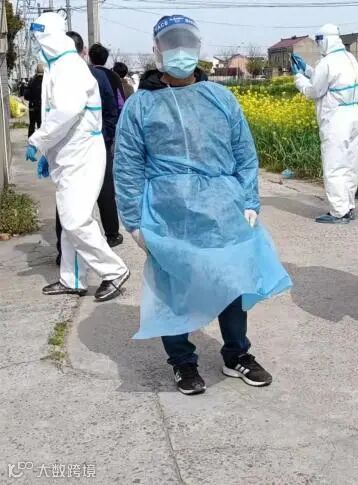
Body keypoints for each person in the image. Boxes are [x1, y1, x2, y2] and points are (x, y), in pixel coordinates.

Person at [114, 15, 292, 395]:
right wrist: (133, 220)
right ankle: (182, 361)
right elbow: (127, 165)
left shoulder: (220, 98)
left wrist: (250, 199)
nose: (179, 52)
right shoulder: (140, 106)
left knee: (231, 279)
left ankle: (237, 354)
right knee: (174, 284)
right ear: (157, 51)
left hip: (222, 207)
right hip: (168, 212)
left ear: (197, 48)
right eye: (170, 44)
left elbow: (244, 153)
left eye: (186, 43)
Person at [26, 12, 129, 301]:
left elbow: (66, 111)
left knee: (75, 220)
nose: (37, 44)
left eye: (39, 38)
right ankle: (72, 278)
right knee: (70, 219)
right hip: (70, 153)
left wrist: (38, 140)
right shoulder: (59, 65)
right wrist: (50, 151)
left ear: (49, 36)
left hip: (82, 154)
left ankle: (114, 271)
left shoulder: (69, 67)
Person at [54, 31, 122, 267]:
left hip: (79, 146)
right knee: (98, 189)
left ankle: (66, 249)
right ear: (83, 51)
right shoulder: (99, 76)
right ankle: (110, 234)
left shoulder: (62, 76)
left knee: (68, 197)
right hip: (89, 145)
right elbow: (113, 109)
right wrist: (106, 137)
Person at [291, 24, 358, 224]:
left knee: (334, 165)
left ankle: (338, 212)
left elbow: (314, 91)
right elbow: (329, 80)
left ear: (325, 39)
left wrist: (298, 77)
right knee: (350, 164)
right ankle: (348, 206)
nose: (318, 45)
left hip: (336, 118)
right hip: (353, 114)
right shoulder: (349, 58)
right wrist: (307, 69)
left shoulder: (327, 62)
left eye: (318, 41)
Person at [89, 43, 127, 111]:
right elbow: (121, 103)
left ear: (90, 58)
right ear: (106, 59)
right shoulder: (115, 76)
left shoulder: (87, 73)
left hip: (91, 114)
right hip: (110, 115)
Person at [23, 63, 44, 138]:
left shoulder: (31, 81)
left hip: (32, 106)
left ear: (36, 71)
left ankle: (31, 141)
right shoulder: (46, 81)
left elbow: (26, 96)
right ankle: (40, 141)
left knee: (32, 124)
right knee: (41, 125)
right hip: (42, 107)